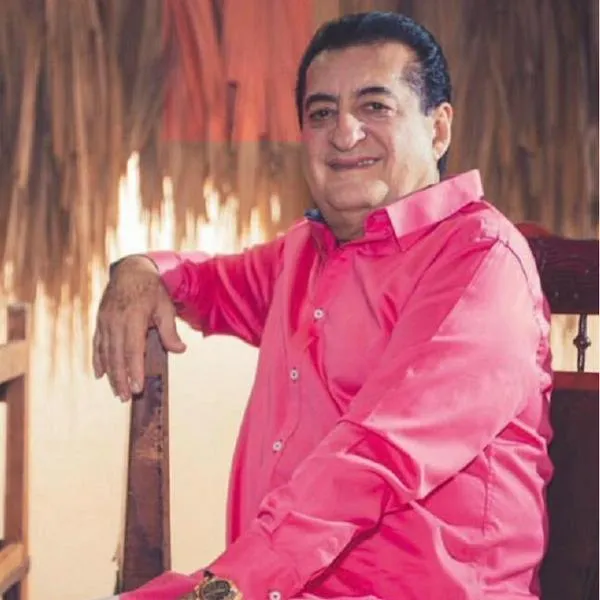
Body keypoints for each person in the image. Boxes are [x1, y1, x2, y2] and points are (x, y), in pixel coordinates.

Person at [93, 12, 553, 600]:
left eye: (374, 106)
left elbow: (380, 452)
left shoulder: (480, 260)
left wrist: (225, 587)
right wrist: (140, 268)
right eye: (321, 113)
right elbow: (204, 283)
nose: (344, 133)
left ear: (438, 130)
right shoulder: (304, 254)